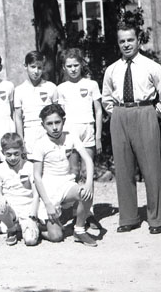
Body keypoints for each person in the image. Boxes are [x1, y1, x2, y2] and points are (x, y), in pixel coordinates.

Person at [102, 22, 161, 234]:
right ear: (118, 43)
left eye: (130, 40)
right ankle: (129, 217)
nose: (126, 44)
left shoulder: (151, 67)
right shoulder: (112, 69)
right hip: (120, 115)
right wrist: (117, 113)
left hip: (144, 113)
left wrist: (154, 113)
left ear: (138, 41)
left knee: (151, 169)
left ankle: (156, 219)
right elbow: (106, 98)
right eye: (122, 41)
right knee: (123, 169)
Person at [30, 104, 97, 247]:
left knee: (86, 193)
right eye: (49, 124)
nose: (54, 127)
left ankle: (79, 230)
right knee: (56, 237)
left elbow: (88, 160)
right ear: (43, 125)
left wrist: (89, 184)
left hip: (66, 183)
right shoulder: (40, 144)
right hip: (48, 189)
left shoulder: (70, 137)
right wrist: (47, 204)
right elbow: (37, 176)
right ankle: (40, 227)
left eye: (57, 122)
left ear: (63, 121)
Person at [56, 48, 103, 230]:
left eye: (76, 65)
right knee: (73, 172)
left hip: (87, 130)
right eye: (69, 66)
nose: (73, 69)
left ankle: (88, 212)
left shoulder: (91, 84)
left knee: (87, 172)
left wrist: (98, 137)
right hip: (70, 131)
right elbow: (60, 115)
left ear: (82, 64)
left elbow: (98, 111)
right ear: (64, 67)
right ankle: (75, 211)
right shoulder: (61, 88)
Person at [0, 133, 41, 246]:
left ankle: (26, 227)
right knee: (0, 206)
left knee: (30, 241)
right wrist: (1, 198)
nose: (12, 158)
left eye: (16, 154)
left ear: (22, 150)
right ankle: (11, 229)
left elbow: (36, 194)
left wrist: (32, 217)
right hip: (11, 209)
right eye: (8, 154)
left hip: (27, 209)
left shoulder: (29, 166)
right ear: (2, 152)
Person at [14, 51, 58, 157]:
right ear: (26, 66)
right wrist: (21, 142)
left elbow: (57, 114)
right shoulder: (19, 90)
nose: (36, 71)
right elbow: (18, 118)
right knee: (32, 164)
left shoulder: (51, 87)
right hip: (29, 133)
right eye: (33, 67)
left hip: (48, 132)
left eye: (39, 67)